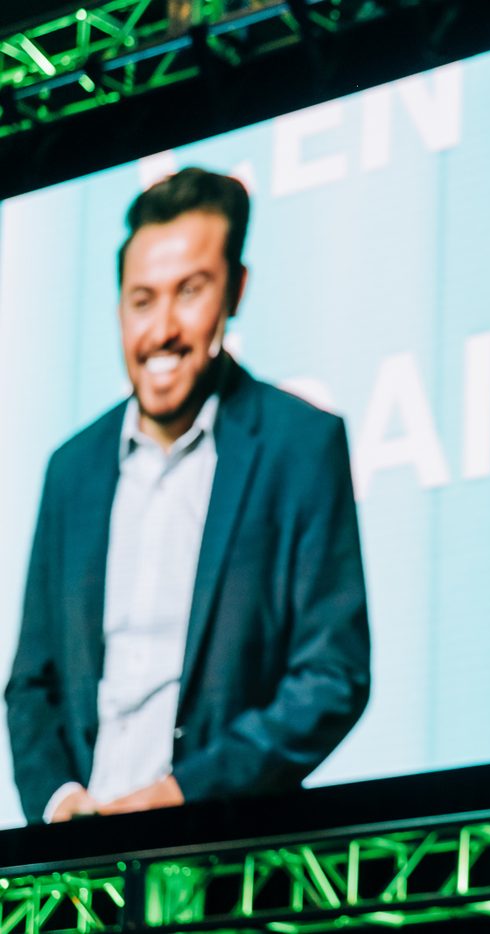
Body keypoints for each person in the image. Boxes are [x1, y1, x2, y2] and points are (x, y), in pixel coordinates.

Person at [6, 167, 371, 823]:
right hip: (81, 875)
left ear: (236, 291)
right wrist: (59, 805)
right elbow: (32, 684)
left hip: (235, 865)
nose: (163, 329)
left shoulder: (301, 445)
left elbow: (331, 676)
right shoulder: (71, 470)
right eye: (143, 300)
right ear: (119, 306)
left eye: (190, 292)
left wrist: (185, 796)